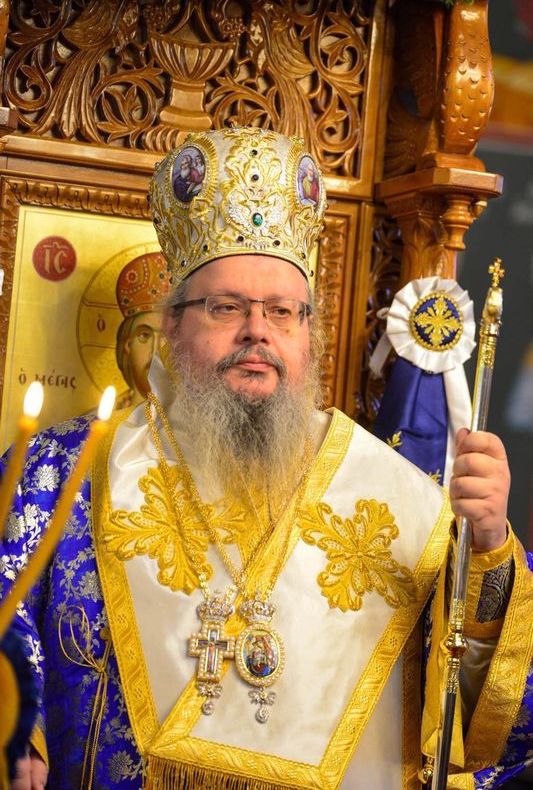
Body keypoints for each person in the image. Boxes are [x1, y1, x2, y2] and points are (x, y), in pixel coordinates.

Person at [0, 126, 531, 790]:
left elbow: (483, 727)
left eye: (283, 312)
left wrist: (488, 548)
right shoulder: (57, 475)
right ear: (170, 324)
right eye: (226, 307)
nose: (258, 331)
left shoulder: (401, 497)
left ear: (309, 333)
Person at [114, 252, 171, 408]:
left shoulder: (199, 423)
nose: (156, 351)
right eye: (144, 336)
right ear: (127, 345)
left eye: (167, 337)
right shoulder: (102, 421)